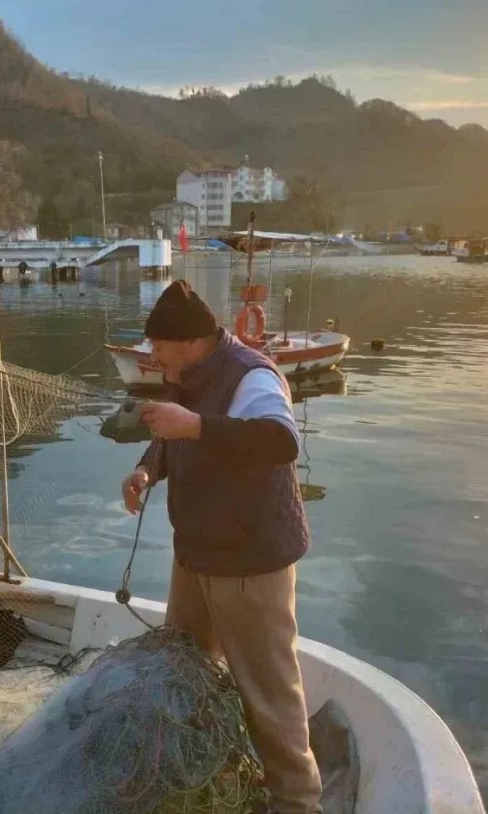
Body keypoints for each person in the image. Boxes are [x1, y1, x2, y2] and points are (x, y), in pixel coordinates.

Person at [121, 280, 322, 814]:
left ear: (188, 342)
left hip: (248, 561)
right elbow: (174, 434)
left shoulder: (250, 374)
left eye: (159, 349)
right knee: (182, 667)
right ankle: (204, 767)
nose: (155, 360)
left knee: (268, 691)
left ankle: (297, 801)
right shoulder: (189, 374)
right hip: (198, 554)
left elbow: (281, 441)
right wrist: (146, 469)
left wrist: (196, 426)